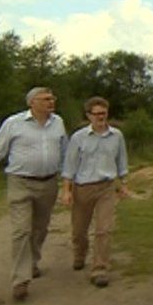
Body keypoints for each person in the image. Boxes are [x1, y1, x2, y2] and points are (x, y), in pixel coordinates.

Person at [0, 87, 67, 302]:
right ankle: (20, 280)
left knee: (40, 228)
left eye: (52, 97)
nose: (51, 101)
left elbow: (65, 153)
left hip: (48, 183)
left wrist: (68, 182)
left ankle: (32, 261)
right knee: (21, 230)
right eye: (46, 98)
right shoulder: (13, 123)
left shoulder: (58, 123)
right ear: (32, 103)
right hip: (20, 182)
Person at [60, 96, 129, 288]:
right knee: (79, 230)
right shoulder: (79, 137)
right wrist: (67, 190)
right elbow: (69, 166)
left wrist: (123, 184)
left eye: (103, 113)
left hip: (106, 187)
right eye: (96, 114)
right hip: (83, 188)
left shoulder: (117, 136)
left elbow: (121, 162)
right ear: (88, 115)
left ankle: (100, 268)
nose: (100, 117)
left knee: (103, 229)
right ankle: (79, 253)